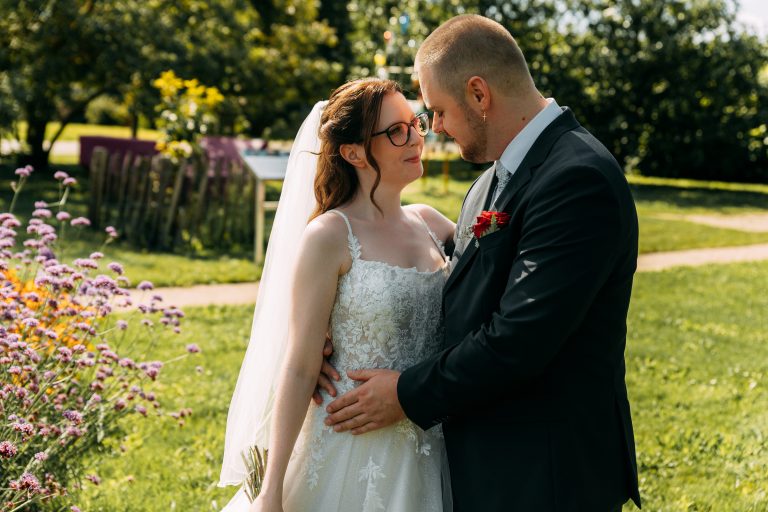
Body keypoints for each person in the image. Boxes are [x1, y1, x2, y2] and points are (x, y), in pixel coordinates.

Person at [320, 14, 642, 512]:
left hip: (547, 471)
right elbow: (462, 279)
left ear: (478, 94)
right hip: (491, 461)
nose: (437, 130)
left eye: (438, 111)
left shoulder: (578, 178)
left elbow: (520, 339)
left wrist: (405, 393)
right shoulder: (495, 177)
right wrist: (342, 321)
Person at [218, 77, 456, 511]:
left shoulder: (432, 223)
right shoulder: (331, 235)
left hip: (430, 442)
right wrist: (271, 492)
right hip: (349, 447)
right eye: (396, 131)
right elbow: (299, 365)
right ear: (353, 153)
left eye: (415, 123)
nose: (417, 138)